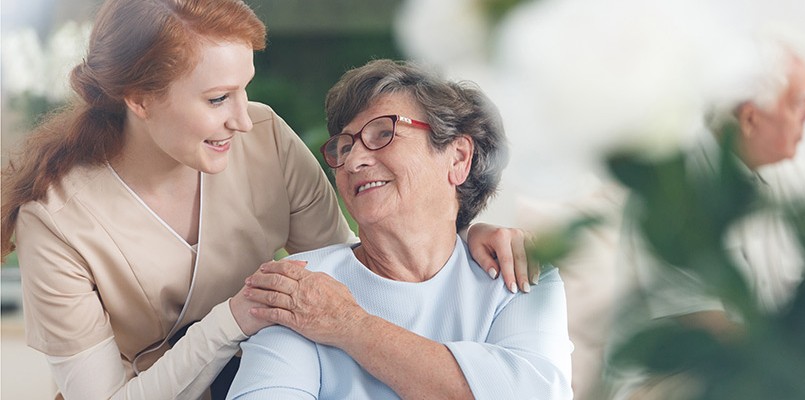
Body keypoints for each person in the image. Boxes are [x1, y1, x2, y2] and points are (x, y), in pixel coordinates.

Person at [0, 1, 534, 399]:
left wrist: (458, 233)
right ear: (139, 99)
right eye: (216, 99)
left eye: (244, 89)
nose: (241, 116)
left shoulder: (264, 137)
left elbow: (357, 273)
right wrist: (234, 319)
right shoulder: (56, 222)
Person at [226, 59, 574, 399]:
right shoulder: (300, 286)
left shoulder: (518, 272)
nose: (353, 161)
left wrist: (349, 325)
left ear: (457, 158)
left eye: (383, 133)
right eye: (344, 147)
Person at [626, 32, 805, 338]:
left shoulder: (787, 178)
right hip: (682, 374)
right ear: (750, 120)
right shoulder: (676, 185)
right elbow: (705, 326)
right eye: (798, 103)